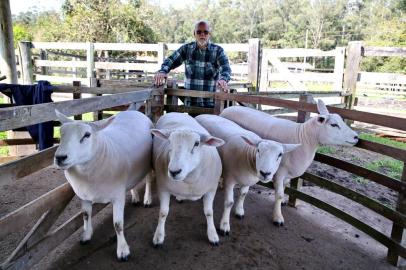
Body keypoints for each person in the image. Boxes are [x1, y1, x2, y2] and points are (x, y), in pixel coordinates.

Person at [154, 20, 231, 108]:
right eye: (199, 32)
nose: (202, 35)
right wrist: (163, 71)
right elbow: (171, 60)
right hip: (191, 104)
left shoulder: (218, 51)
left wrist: (223, 79)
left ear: (209, 34)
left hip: (211, 104)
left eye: (205, 32)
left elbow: (226, 68)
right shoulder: (186, 49)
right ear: (194, 34)